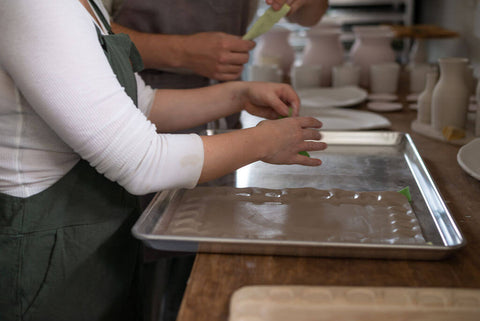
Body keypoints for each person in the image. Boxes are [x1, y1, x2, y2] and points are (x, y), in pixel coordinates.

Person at [0, 1, 327, 321]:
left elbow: (142, 103)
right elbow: (141, 162)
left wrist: (238, 95)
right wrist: (265, 142)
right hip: (42, 250)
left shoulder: (85, 4)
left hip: (89, 245)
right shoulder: (36, 6)